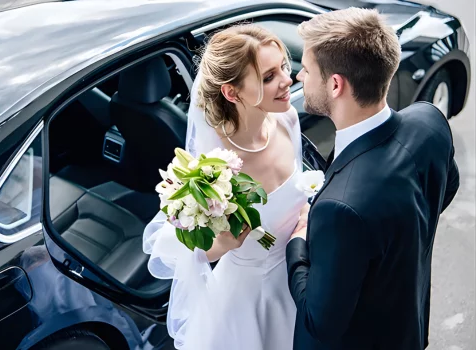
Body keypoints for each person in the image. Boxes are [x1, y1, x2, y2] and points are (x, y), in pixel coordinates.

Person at [286, 8, 460, 350]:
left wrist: (298, 242)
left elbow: (318, 322)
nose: (297, 78)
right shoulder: (430, 121)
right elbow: (444, 190)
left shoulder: (340, 208)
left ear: (335, 84)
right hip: (408, 326)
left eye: (305, 70)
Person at [143, 24, 310, 349]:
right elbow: (173, 246)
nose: (287, 80)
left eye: (283, 68)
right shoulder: (214, 169)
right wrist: (220, 246)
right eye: (268, 77)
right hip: (250, 299)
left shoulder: (288, 118)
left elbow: (299, 191)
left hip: (300, 275)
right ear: (232, 93)